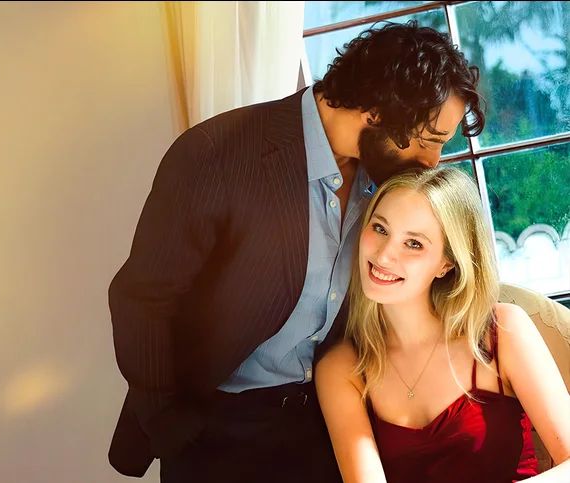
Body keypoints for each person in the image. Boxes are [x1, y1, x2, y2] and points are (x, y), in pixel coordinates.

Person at [107, 21, 485, 482]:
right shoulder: (215, 153)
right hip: (216, 431)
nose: (432, 162)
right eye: (429, 141)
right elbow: (144, 298)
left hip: (331, 422)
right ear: (378, 109)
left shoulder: (383, 178)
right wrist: (170, 425)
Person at [315, 166, 570, 483]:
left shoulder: (503, 330)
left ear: (447, 263)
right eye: (380, 228)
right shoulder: (342, 368)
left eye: (414, 243)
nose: (384, 255)